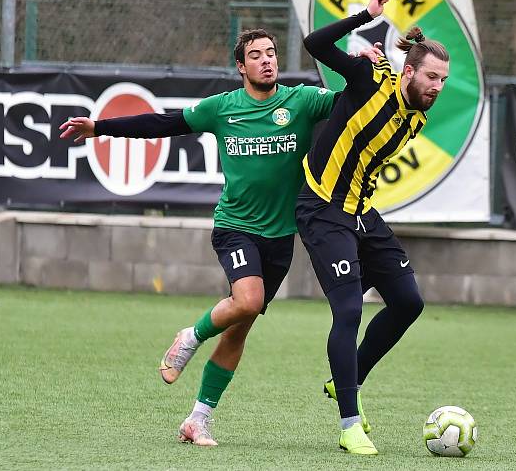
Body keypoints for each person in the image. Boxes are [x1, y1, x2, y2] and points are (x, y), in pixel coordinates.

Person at [60, 30, 381, 447]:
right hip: (235, 227)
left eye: (271, 53)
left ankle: (197, 419)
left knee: (238, 329)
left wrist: (368, 68)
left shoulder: (302, 101)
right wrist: (101, 127)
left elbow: (353, 102)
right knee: (246, 301)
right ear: (241, 67)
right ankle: (190, 335)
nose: (266, 60)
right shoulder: (223, 109)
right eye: (256, 55)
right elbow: (163, 123)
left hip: (282, 237)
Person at [297, 0, 450, 455]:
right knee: (348, 310)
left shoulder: (417, 116)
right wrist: (364, 17)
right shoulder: (368, 76)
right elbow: (315, 45)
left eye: (443, 79)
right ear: (409, 72)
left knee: (408, 302)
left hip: (361, 211)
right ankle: (349, 422)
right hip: (323, 208)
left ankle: (347, 378)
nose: (437, 86)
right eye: (430, 77)